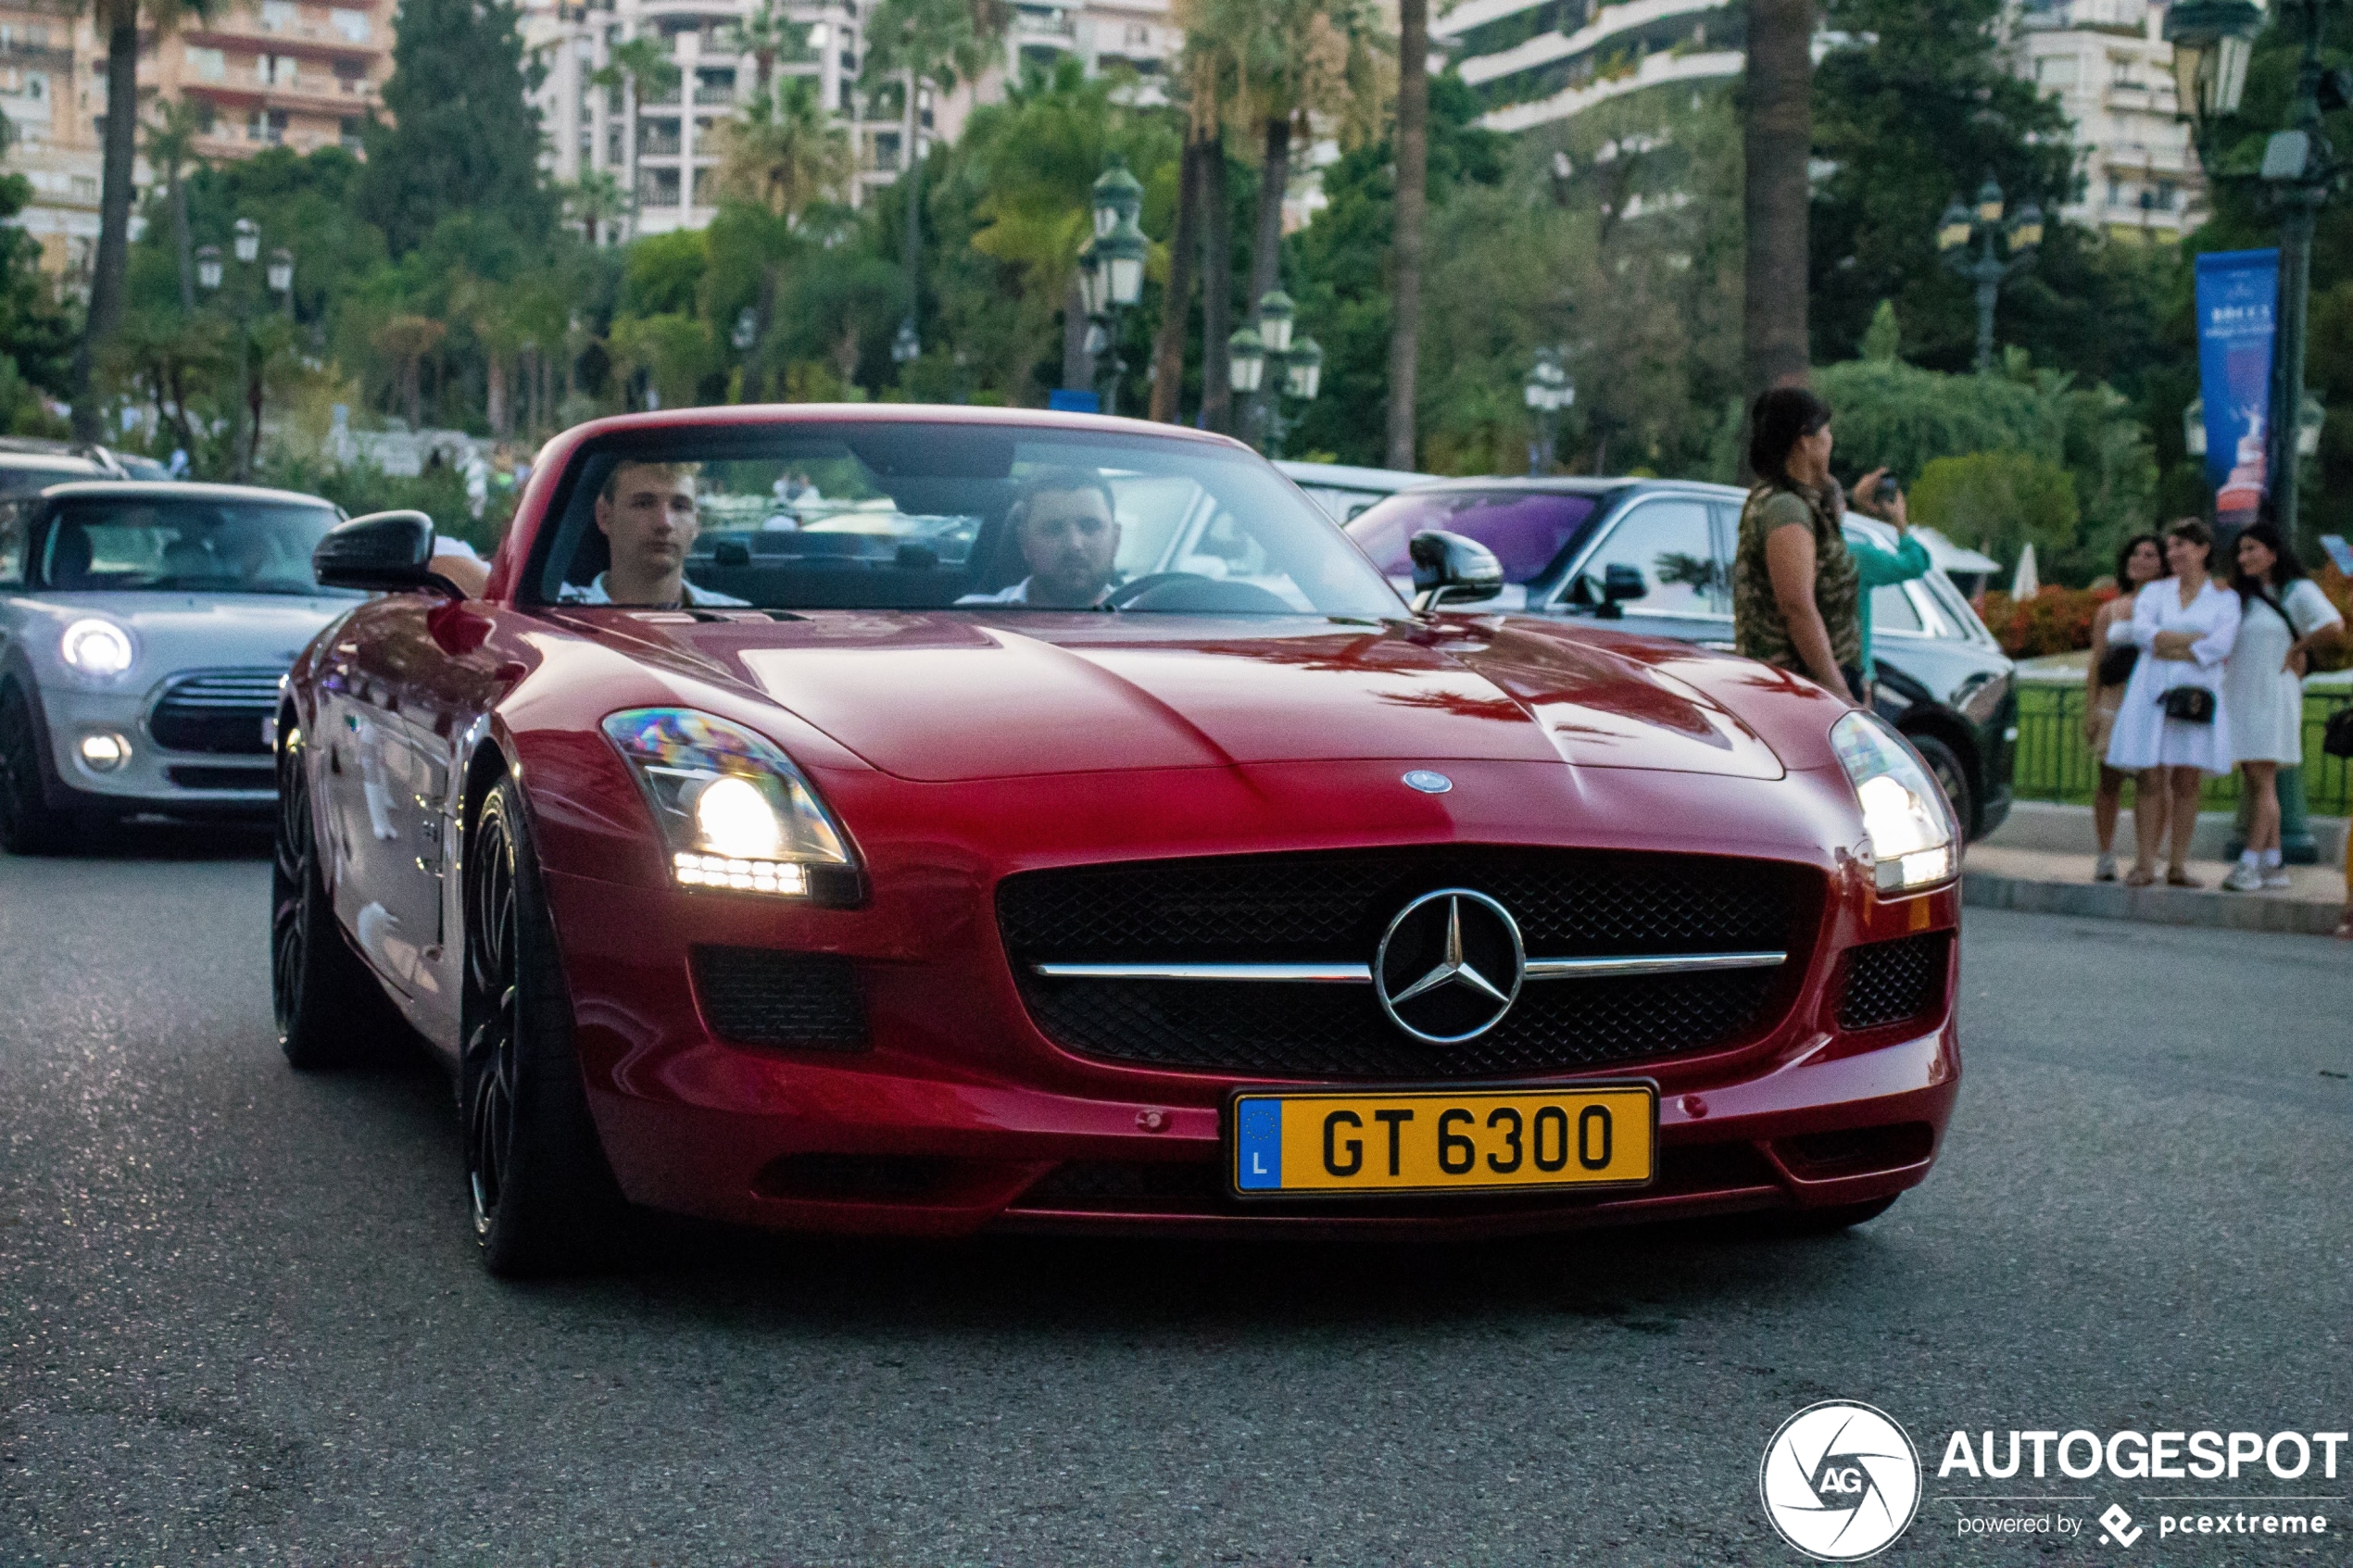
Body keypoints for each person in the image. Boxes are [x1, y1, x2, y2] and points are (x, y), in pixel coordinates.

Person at [1733, 388, 1899, 705]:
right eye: (1825, 430)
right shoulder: (1786, 509)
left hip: (1808, 687)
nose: (1831, 439)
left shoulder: (1792, 501)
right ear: (1805, 441)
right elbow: (1797, 607)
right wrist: (1838, 690)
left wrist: (1838, 492)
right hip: (1803, 692)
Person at [2105, 519, 2240, 887]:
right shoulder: (2154, 594)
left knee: (2187, 777)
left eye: (2181, 546)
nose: (2173, 554)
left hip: (2195, 694)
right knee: (2150, 776)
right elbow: (2146, 636)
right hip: (2152, 691)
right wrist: (2191, 642)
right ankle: (2145, 861)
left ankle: (2178, 864)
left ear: (2202, 549)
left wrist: (2176, 644)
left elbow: (2219, 646)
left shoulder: (2224, 599)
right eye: (2171, 548)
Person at [2220, 521, 2344, 891]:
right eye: (2241, 550)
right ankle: (2274, 864)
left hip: (2272, 693)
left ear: (2272, 554)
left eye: (2252, 549)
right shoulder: (2242, 596)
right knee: (2255, 778)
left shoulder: (2297, 591)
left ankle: (2249, 862)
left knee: (2263, 779)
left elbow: (2333, 624)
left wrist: (2297, 648)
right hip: (2241, 693)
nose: (2244, 557)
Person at [2083, 533, 2168, 881]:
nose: (2141, 559)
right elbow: (2096, 662)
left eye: (2150, 555)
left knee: (2153, 778)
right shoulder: (2111, 610)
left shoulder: (2168, 605)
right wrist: (2091, 708)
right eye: (2136, 553)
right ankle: (2106, 853)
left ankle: (2148, 855)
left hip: (2150, 698)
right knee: (2109, 778)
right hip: (2114, 698)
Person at [557, 459, 746, 608]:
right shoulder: (555, 616)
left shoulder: (739, 620)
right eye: (644, 504)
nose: (665, 523)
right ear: (605, 517)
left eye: (680, 507)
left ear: (696, 524)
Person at [958, 468, 1122, 608]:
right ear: (1024, 543)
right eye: (1053, 529)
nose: (1074, 544)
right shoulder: (967, 619)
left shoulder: (1145, 615)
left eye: (1090, 527)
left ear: (1116, 539)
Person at [1844, 478, 1932, 700]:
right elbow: (1916, 563)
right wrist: (1900, 523)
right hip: (1855, 672)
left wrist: (1852, 501)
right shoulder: (1856, 557)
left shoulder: (1802, 554)